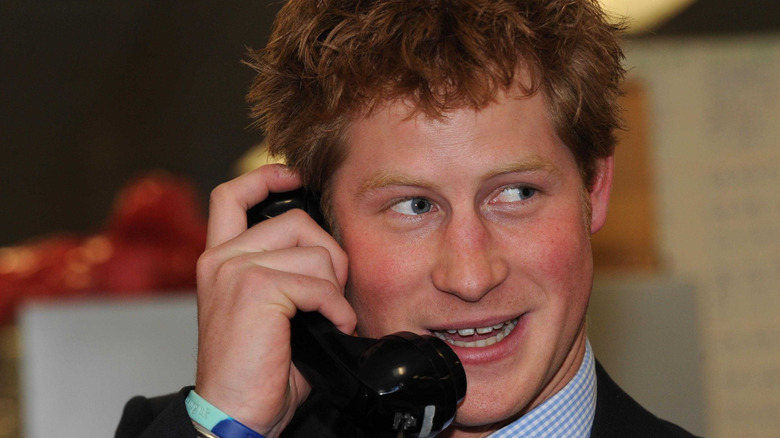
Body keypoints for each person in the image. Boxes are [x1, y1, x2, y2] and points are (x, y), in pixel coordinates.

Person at [116, 0, 698, 437]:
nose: (470, 276)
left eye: (517, 193)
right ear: (318, 225)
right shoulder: (208, 430)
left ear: (595, 187)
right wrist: (229, 427)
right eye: (414, 206)